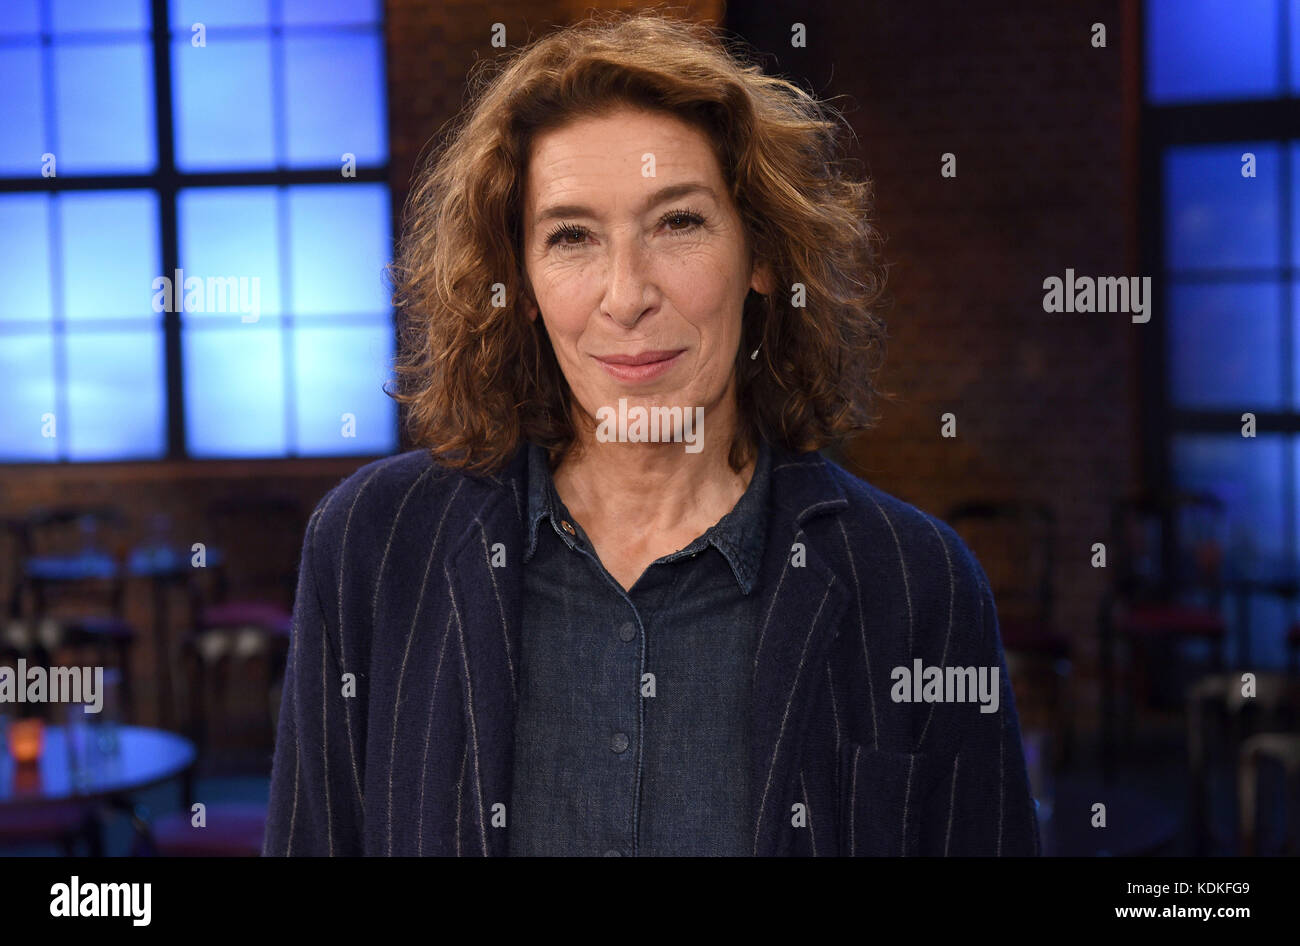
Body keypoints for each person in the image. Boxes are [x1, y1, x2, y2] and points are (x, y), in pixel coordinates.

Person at [263, 11, 1040, 857]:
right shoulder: (372, 548)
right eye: (571, 237)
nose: (626, 294)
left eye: (678, 223)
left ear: (764, 256)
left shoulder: (917, 583)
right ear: (519, 283)